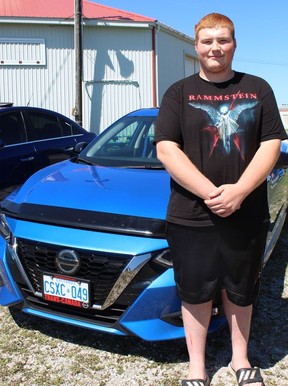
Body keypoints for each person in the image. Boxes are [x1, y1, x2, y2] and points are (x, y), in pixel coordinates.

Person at [155, 13, 287, 386]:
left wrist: (240, 191)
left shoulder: (257, 88)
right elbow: (167, 149)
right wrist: (210, 193)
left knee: (241, 289)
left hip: (246, 214)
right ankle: (197, 367)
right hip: (191, 215)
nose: (215, 47)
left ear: (234, 44)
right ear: (196, 46)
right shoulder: (178, 93)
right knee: (194, 292)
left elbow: (271, 144)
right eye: (207, 41)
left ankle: (240, 359)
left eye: (223, 40)